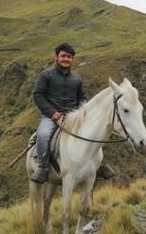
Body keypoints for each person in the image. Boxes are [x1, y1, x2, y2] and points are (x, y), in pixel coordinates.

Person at [30, 42, 114, 184]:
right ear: (56, 57)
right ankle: (43, 168)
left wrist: (83, 110)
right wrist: (52, 113)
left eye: (69, 57)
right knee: (43, 135)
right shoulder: (46, 75)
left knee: (94, 134)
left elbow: (81, 97)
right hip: (51, 117)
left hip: (73, 117)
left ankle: (98, 165)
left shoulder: (77, 79)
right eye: (63, 56)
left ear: (72, 59)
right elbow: (38, 95)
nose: (66, 59)